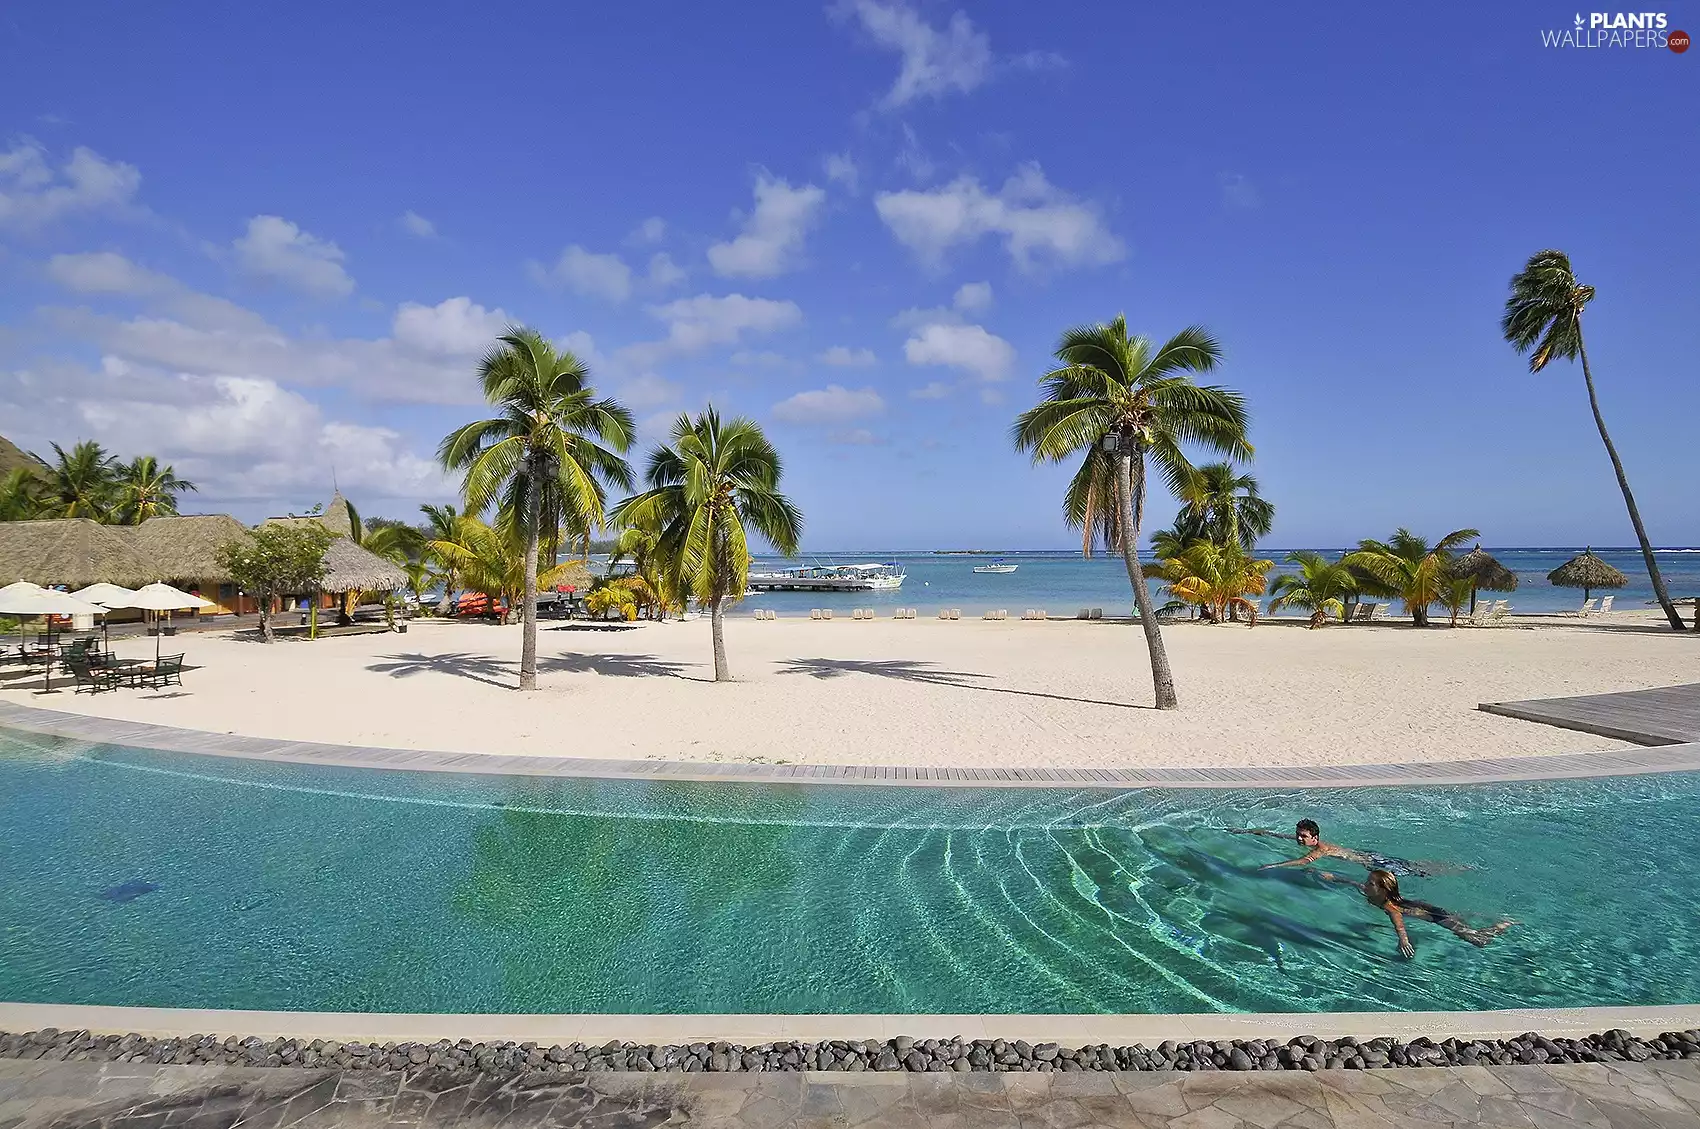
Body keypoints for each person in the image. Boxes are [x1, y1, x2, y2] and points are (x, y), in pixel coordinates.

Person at [1320, 869, 1512, 958]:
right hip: (1424, 907)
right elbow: (1353, 883)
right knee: (1463, 920)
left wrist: (1403, 940)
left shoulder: (1388, 905)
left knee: (1478, 940)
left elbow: (1397, 920)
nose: (1365, 884)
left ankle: (1500, 925)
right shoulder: (1372, 893)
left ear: (1383, 890)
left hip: (1435, 917)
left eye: (1370, 883)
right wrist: (1333, 877)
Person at [1228, 819, 1441, 878]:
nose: (1299, 840)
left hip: (1375, 863)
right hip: (1370, 858)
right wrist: (1252, 832)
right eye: (1298, 835)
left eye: (1304, 837)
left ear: (1315, 837)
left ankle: (1446, 868)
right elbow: (1277, 835)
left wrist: (1274, 865)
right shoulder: (1302, 840)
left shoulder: (1322, 849)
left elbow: (1304, 861)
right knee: (1414, 868)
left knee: (1418, 873)